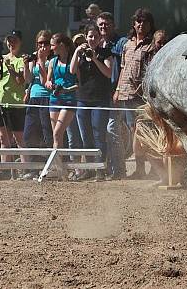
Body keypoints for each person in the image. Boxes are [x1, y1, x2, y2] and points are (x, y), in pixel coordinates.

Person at [114, 8, 159, 179]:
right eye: (138, 21)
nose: (141, 24)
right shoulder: (127, 45)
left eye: (144, 22)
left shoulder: (150, 46)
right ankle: (140, 167)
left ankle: (152, 167)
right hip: (125, 93)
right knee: (134, 131)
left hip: (140, 95)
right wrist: (118, 90)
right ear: (134, 24)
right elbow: (123, 69)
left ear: (150, 25)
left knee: (143, 130)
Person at [71, 24, 113, 181]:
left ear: (100, 37)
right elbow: (72, 70)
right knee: (86, 136)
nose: (93, 39)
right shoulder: (80, 54)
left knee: (98, 134)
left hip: (100, 99)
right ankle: (88, 168)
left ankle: (100, 169)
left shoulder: (105, 53)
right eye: (90, 36)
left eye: (96, 36)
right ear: (85, 37)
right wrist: (76, 51)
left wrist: (95, 58)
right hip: (83, 99)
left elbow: (108, 73)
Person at [97, 12, 127, 180]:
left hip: (116, 93)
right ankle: (105, 168)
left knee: (112, 130)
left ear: (113, 25)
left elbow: (124, 67)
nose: (103, 27)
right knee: (101, 132)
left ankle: (120, 170)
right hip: (98, 96)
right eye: (100, 24)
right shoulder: (96, 43)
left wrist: (118, 89)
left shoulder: (122, 43)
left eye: (106, 24)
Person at [46, 33, 78, 162]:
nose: (51, 48)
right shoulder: (53, 62)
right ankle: (60, 167)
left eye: (53, 45)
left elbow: (78, 83)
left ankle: (60, 164)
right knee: (57, 136)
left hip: (68, 100)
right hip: (54, 99)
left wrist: (66, 90)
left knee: (57, 132)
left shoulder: (72, 61)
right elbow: (48, 81)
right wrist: (50, 84)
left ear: (62, 45)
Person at [0, 30, 29, 156]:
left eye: (15, 40)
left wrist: (11, 69)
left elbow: (20, 81)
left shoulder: (21, 60)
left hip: (16, 104)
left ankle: (24, 170)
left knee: (19, 139)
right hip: (1, 102)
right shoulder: (1, 59)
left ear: (20, 42)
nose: (11, 43)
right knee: (3, 139)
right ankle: (5, 171)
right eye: (9, 40)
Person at [23, 30, 54, 161]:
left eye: (46, 43)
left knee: (46, 131)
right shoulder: (34, 58)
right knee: (29, 132)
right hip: (34, 97)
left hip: (46, 97)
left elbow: (44, 80)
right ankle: (33, 164)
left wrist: (41, 61)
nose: (42, 46)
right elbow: (28, 79)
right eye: (40, 43)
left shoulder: (52, 60)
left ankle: (48, 162)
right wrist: (26, 64)